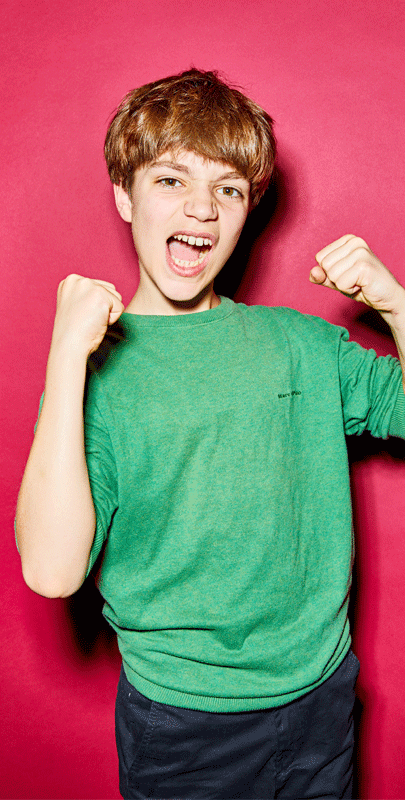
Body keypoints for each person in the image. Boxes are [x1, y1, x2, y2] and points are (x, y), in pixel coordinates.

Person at [15, 69, 405, 800]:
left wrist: (395, 304)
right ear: (124, 194)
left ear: (248, 208)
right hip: (183, 728)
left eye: (228, 189)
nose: (201, 208)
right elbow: (52, 571)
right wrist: (66, 359)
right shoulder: (93, 375)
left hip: (321, 701)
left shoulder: (299, 343)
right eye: (171, 180)